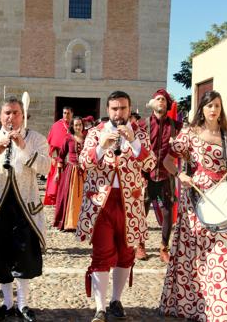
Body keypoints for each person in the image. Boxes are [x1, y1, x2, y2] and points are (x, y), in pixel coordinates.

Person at [159, 90, 227, 321]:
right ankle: (194, 305)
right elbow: (167, 160)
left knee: (223, 253)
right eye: (209, 106)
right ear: (202, 109)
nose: (213, 110)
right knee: (195, 254)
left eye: (217, 105)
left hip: (223, 199)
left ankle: (224, 308)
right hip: (196, 198)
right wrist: (180, 175)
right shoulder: (190, 133)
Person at [0, 96, 50, 322]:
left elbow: (46, 166)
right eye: (7, 113)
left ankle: (23, 304)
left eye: (15, 112)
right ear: (0, 117)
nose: (11, 117)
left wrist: (24, 148)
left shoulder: (36, 138)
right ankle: (7, 304)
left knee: (24, 256)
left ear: (23, 116)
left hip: (24, 208)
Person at [77, 91, 155, 322]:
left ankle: (116, 301)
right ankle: (100, 308)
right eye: (114, 109)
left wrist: (133, 141)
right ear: (108, 110)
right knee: (101, 253)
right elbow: (84, 163)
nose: (118, 113)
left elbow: (150, 164)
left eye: (122, 108)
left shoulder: (140, 133)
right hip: (100, 202)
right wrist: (101, 147)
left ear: (129, 109)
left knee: (126, 252)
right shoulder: (95, 132)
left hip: (131, 202)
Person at [137, 88, 182, 262]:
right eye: (158, 99)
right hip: (146, 175)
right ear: (153, 103)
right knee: (142, 211)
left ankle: (164, 247)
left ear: (167, 104)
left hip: (166, 175)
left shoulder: (176, 126)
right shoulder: (143, 124)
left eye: (164, 100)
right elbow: (135, 148)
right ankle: (140, 245)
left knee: (168, 211)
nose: (161, 102)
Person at [52, 116, 86, 231]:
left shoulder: (87, 138)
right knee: (70, 198)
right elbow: (61, 156)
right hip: (71, 171)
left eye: (80, 124)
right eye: (76, 125)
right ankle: (70, 222)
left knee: (85, 197)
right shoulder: (68, 138)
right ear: (72, 126)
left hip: (85, 171)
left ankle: (84, 222)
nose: (78, 127)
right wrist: (58, 172)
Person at [44, 106, 73, 205]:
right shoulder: (56, 125)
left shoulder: (75, 125)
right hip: (58, 157)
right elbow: (51, 143)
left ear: (72, 114)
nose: (66, 115)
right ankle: (57, 200)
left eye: (68, 113)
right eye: (64, 113)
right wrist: (51, 156)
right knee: (57, 181)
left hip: (71, 158)